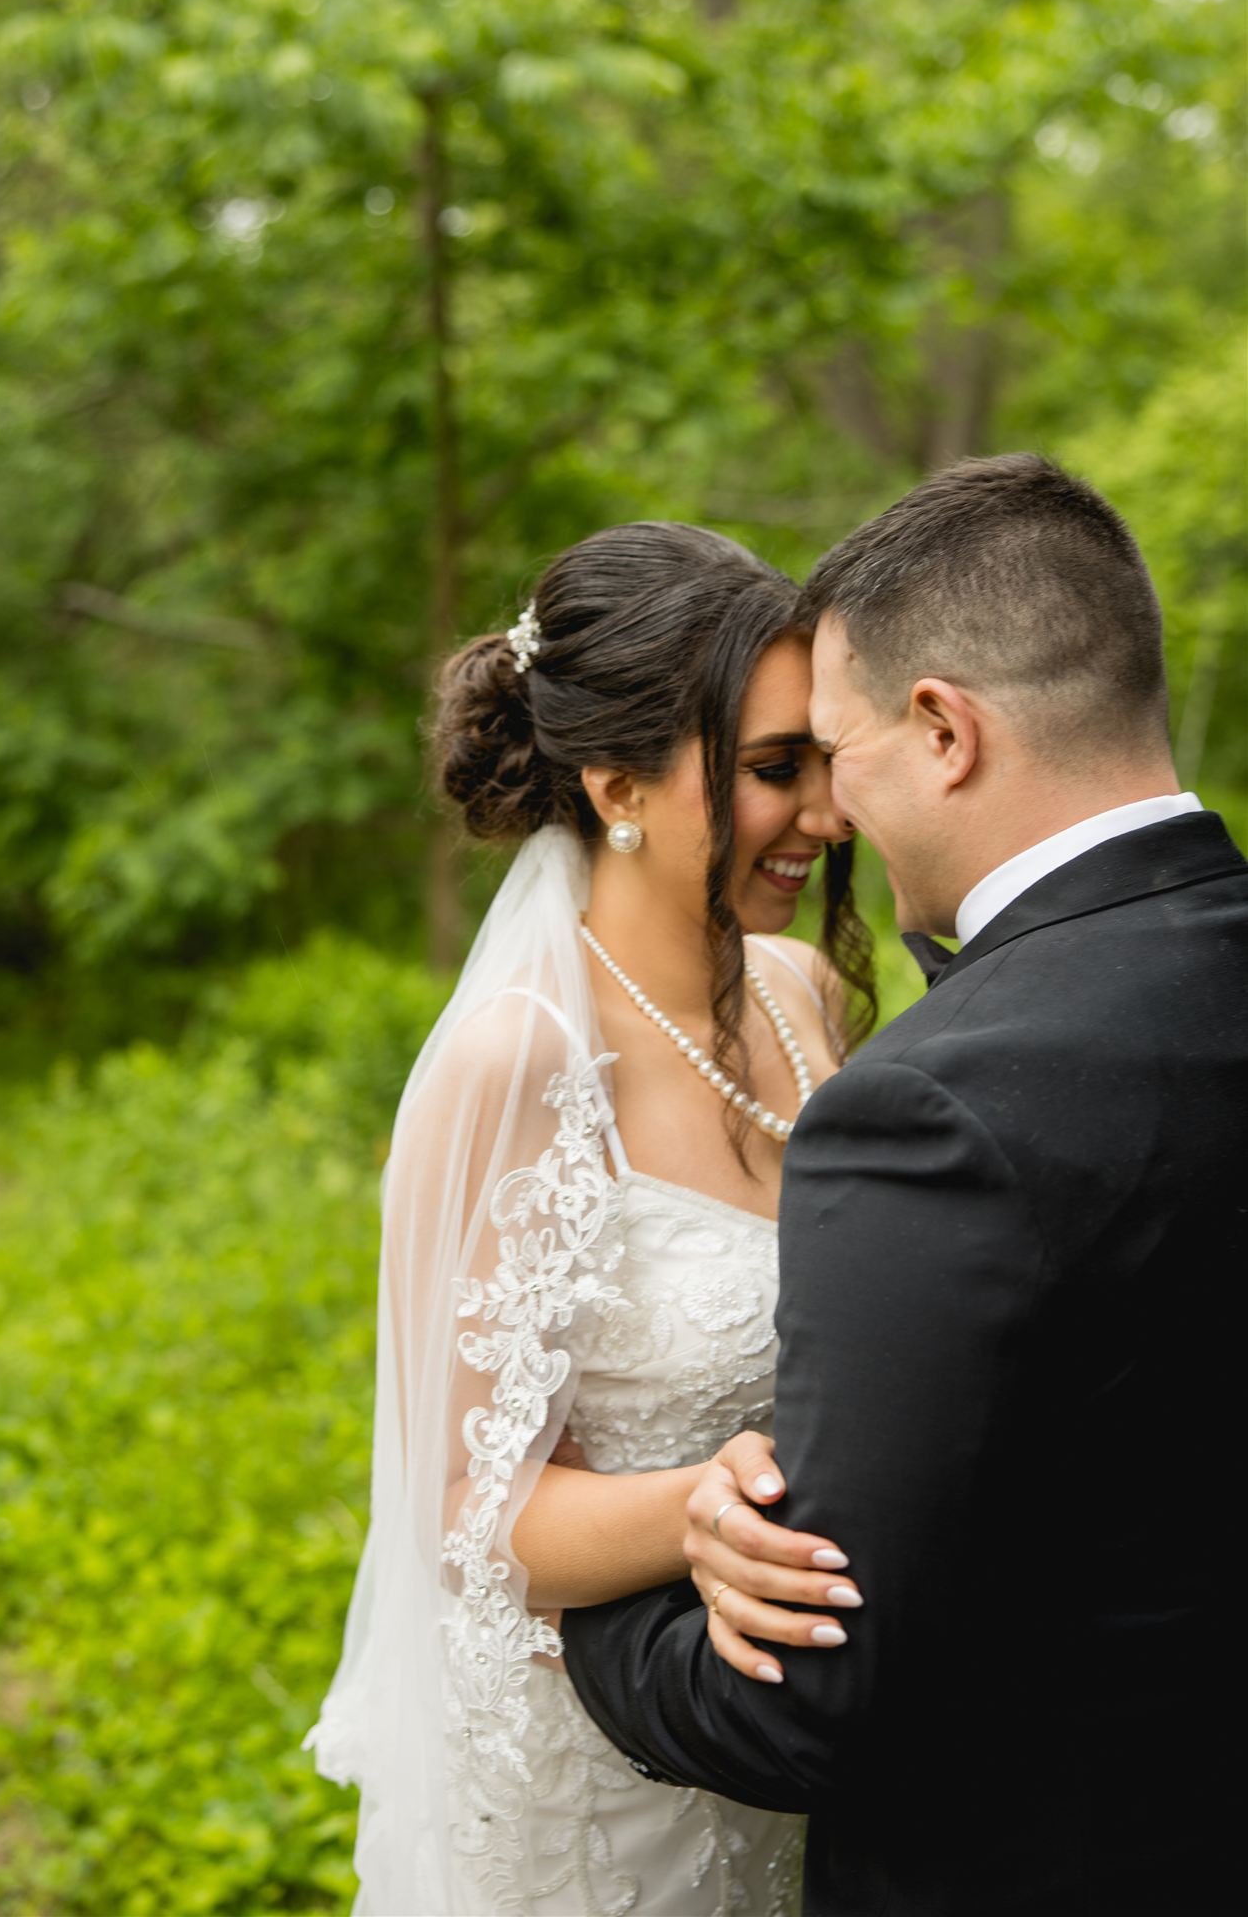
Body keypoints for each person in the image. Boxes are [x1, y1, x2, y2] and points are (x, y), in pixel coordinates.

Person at [561, 455, 1246, 1916]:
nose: (831, 818)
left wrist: (573, 1612)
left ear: (941, 731)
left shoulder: (929, 1108)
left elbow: (798, 1707)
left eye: (835, 749)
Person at [305, 522, 876, 1914]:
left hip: (788, 1728)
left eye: (821, 761)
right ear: (618, 784)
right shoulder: (519, 1065)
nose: (825, 816)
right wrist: (700, 1507)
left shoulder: (807, 997)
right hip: (600, 1788)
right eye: (769, 772)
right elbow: (462, 1517)